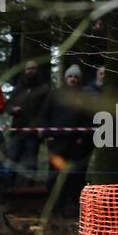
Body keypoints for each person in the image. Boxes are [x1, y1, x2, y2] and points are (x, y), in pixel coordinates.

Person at [41, 64, 92, 214]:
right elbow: (44, 115)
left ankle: (71, 207)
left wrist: (82, 137)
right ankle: (52, 207)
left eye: (76, 77)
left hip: (75, 143)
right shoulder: (55, 95)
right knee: (54, 174)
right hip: (56, 142)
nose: (73, 79)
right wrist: (48, 135)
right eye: (70, 76)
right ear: (66, 78)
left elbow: (88, 119)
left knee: (73, 175)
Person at [3, 59, 52, 187]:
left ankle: (29, 188)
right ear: (25, 71)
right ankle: (7, 186)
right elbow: (7, 105)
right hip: (17, 130)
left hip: (33, 133)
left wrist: (42, 128)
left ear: (37, 70)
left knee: (31, 161)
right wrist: (12, 109)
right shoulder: (18, 89)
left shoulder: (43, 89)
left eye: (33, 68)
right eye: (28, 69)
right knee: (12, 158)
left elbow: (47, 110)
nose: (31, 71)